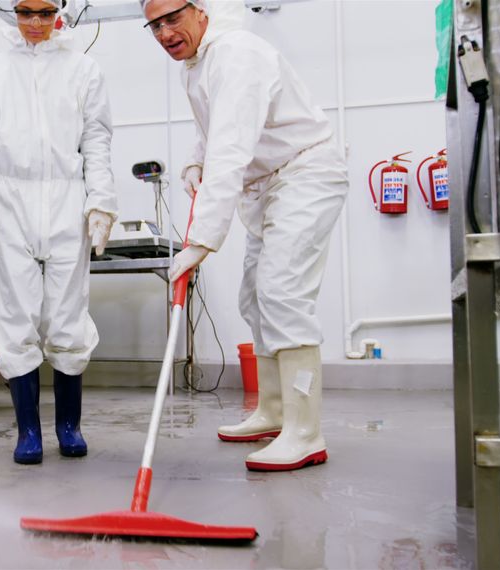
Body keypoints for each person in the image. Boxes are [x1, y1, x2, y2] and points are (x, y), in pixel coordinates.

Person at [141, 0, 348, 471]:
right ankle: (274, 411)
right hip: (268, 183)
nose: (165, 32)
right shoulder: (195, 66)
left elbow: (231, 149)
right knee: (255, 297)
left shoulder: (235, 53)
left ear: (199, 10)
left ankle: (305, 432)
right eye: (153, 25)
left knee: (282, 294)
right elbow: (213, 131)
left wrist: (199, 240)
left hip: (304, 171)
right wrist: (195, 159)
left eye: (173, 18)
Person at [0, 0, 118, 465]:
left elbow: (97, 140)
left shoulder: (83, 71)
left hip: (67, 201)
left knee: (69, 313)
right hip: (10, 203)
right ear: (13, 11)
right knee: (15, 314)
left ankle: (69, 427)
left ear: (60, 11)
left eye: (44, 12)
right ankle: (28, 432)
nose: (33, 23)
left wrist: (100, 203)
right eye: (24, 11)